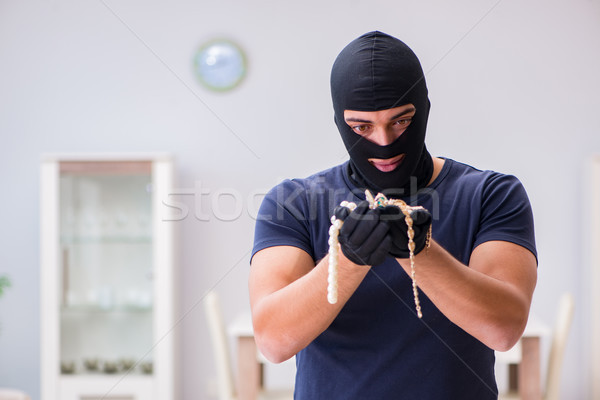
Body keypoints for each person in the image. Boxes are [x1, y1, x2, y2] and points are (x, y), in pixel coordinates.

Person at [249, 31, 537, 399]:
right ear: (340, 123)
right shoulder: (293, 202)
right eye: (362, 127)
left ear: (424, 110)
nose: (384, 142)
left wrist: (421, 252)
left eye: (400, 121)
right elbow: (273, 341)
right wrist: (348, 260)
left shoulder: (491, 194)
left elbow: (504, 329)